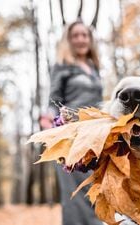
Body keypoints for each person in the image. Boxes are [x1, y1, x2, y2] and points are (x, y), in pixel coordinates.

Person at [40, 20, 103, 225]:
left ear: (90, 39)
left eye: (84, 35)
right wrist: (47, 117)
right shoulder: (62, 66)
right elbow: (53, 100)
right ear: (69, 40)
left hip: (95, 136)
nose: (80, 39)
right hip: (70, 136)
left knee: (95, 189)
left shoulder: (94, 68)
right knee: (75, 194)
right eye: (75, 35)